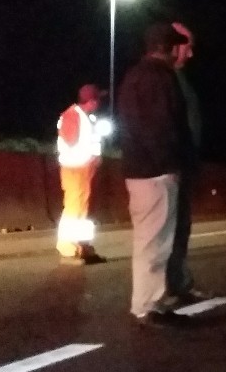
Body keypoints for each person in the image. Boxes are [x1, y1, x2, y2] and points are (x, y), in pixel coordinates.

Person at [117, 22, 194, 328]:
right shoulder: (159, 78)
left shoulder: (135, 75)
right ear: (168, 47)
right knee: (155, 242)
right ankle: (148, 306)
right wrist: (171, 164)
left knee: (151, 240)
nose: (182, 52)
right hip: (155, 172)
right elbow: (160, 127)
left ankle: (152, 302)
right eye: (179, 45)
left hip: (139, 168)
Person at [162, 21, 209, 307]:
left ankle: (178, 284)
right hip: (172, 167)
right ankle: (166, 289)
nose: (190, 54)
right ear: (174, 45)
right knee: (169, 230)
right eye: (187, 47)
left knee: (180, 228)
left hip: (183, 164)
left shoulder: (176, 78)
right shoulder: (165, 80)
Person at [56, 84, 108, 264]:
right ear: (91, 101)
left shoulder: (86, 117)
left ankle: (81, 245)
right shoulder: (73, 115)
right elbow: (70, 140)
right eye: (98, 100)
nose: (99, 103)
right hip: (75, 168)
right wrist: (88, 156)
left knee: (81, 210)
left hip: (83, 169)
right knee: (75, 210)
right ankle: (71, 247)